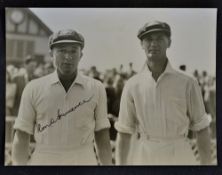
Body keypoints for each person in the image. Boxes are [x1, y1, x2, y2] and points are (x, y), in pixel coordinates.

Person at [115, 21, 212, 165]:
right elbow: (124, 132)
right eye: (148, 39)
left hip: (179, 153)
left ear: (169, 42)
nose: (154, 43)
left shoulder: (188, 82)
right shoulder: (132, 85)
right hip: (144, 156)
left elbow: (201, 128)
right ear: (142, 44)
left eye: (159, 38)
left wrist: (207, 167)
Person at [12, 29, 112, 165]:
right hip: (44, 160)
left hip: (83, 160)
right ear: (51, 54)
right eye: (62, 50)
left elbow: (102, 135)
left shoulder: (96, 87)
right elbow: (22, 135)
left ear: (81, 55)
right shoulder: (33, 88)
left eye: (73, 51)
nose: (68, 56)